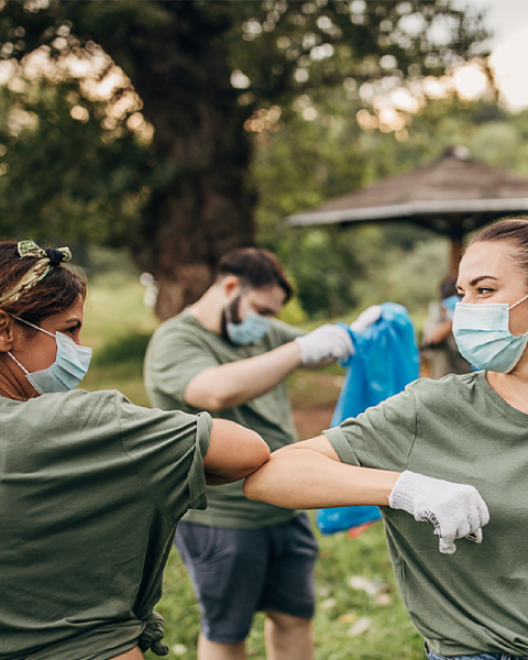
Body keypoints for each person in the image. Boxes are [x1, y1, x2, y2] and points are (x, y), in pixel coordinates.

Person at [244, 217, 528, 660]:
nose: (465, 309)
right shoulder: (433, 409)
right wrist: (403, 488)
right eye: (462, 294)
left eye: (484, 291)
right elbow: (271, 475)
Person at [0, 240, 272, 660]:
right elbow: (245, 451)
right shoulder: (88, 425)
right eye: (68, 330)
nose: (79, 348)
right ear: (5, 330)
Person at [144, 247, 369, 660]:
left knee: (293, 615)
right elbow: (213, 389)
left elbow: (316, 349)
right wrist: (299, 350)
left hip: (286, 506)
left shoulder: (260, 329)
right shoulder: (176, 339)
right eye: (263, 310)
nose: (268, 323)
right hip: (222, 516)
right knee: (227, 629)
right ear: (231, 286)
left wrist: (353, 332)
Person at [422, 276, 472, 378]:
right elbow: (432, 338)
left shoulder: (469, 315)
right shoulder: (437, 314)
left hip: (466, 376)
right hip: (443, 378)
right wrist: (453, 320)